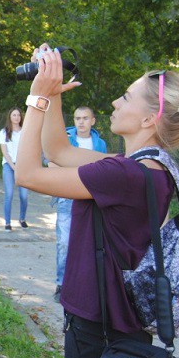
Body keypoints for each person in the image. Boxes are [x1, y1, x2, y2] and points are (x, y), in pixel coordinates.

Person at [14, 45, 179, 358]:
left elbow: (27, 172)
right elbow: (57, 151)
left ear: (150, 118)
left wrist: (38, 97)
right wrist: (56, 92)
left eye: (126, 97)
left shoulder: (121, 174)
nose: (114, 101)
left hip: (97, 334)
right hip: (119, 329)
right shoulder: (150, 169)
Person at [52, 106, 108, 302]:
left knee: (89, 242)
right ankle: (61, 283)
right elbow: (52, 163)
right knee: (65, 242)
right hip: (67, 196)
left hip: (91, 197)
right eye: (77, 118)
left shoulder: (100, 144)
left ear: (93, 121)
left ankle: (83, 285)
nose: (81, 122)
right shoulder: (66, 140)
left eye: (85, 118)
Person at [0, 107, 29, 230]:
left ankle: (22, 219)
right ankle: (7, 222)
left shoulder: (25, 132)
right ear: (10, 117)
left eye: (18, 115)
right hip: (9, 166)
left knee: (24, 195)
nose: (16, 117)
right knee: (9, 194)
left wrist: (21, 166)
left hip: (23, 166)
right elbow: (5, 152)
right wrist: (13, 166)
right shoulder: (4, 132)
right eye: (14, 115)